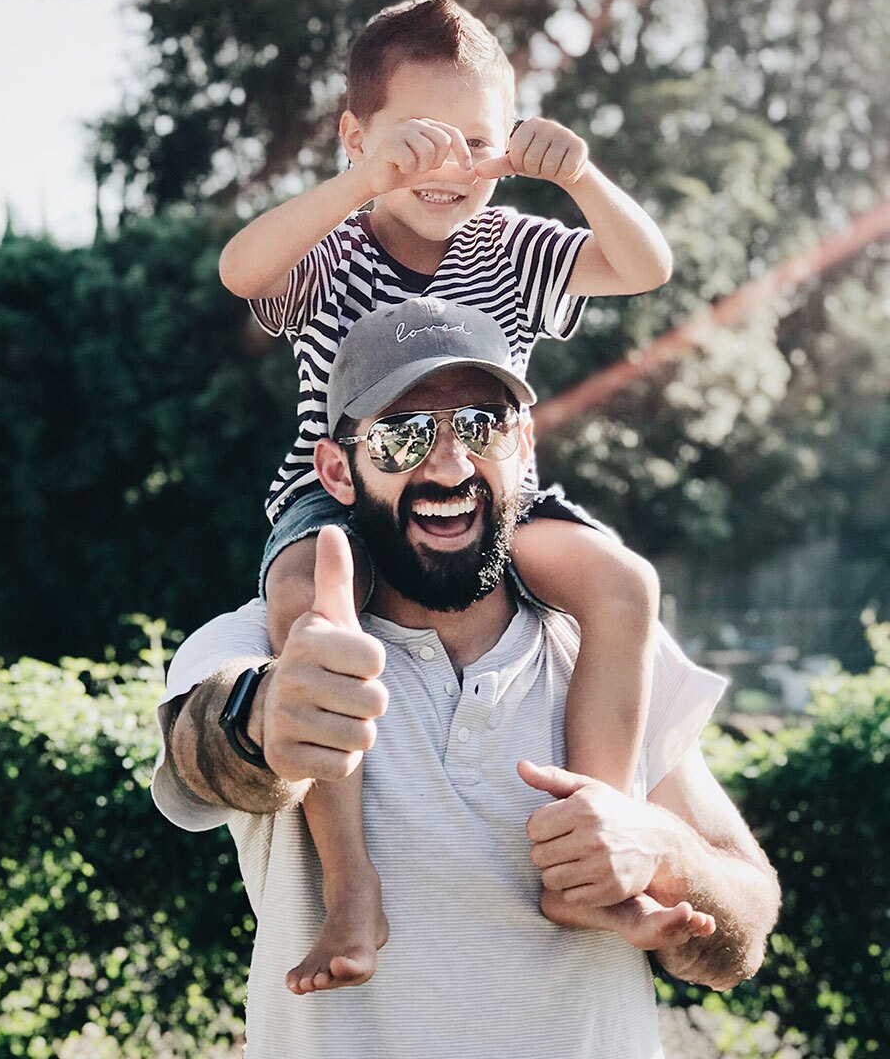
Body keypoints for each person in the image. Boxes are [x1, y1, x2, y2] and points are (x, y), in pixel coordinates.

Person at [152, 302, 780, 1059]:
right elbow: (201, 752)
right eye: (402, 436)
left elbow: (746, 926)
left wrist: (665, 853)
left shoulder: (606, 650)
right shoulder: (270, 641)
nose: (448, 466)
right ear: (336, 471)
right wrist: (261, 723)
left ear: (523, 444)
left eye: (481, 427)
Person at [218, 0, 676, 992]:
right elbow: (239, 267)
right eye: (416, 143)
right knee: (307, 609)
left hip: (490, 502)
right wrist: (354, 187)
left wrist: (581, 175)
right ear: (357, 137)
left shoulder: (510, 246)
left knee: (623, 583)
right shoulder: (332, 250)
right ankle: (351, 891)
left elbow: (646, 267)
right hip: (335, 497)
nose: (448, 166)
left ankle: (589, 845)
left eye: (475, 140)